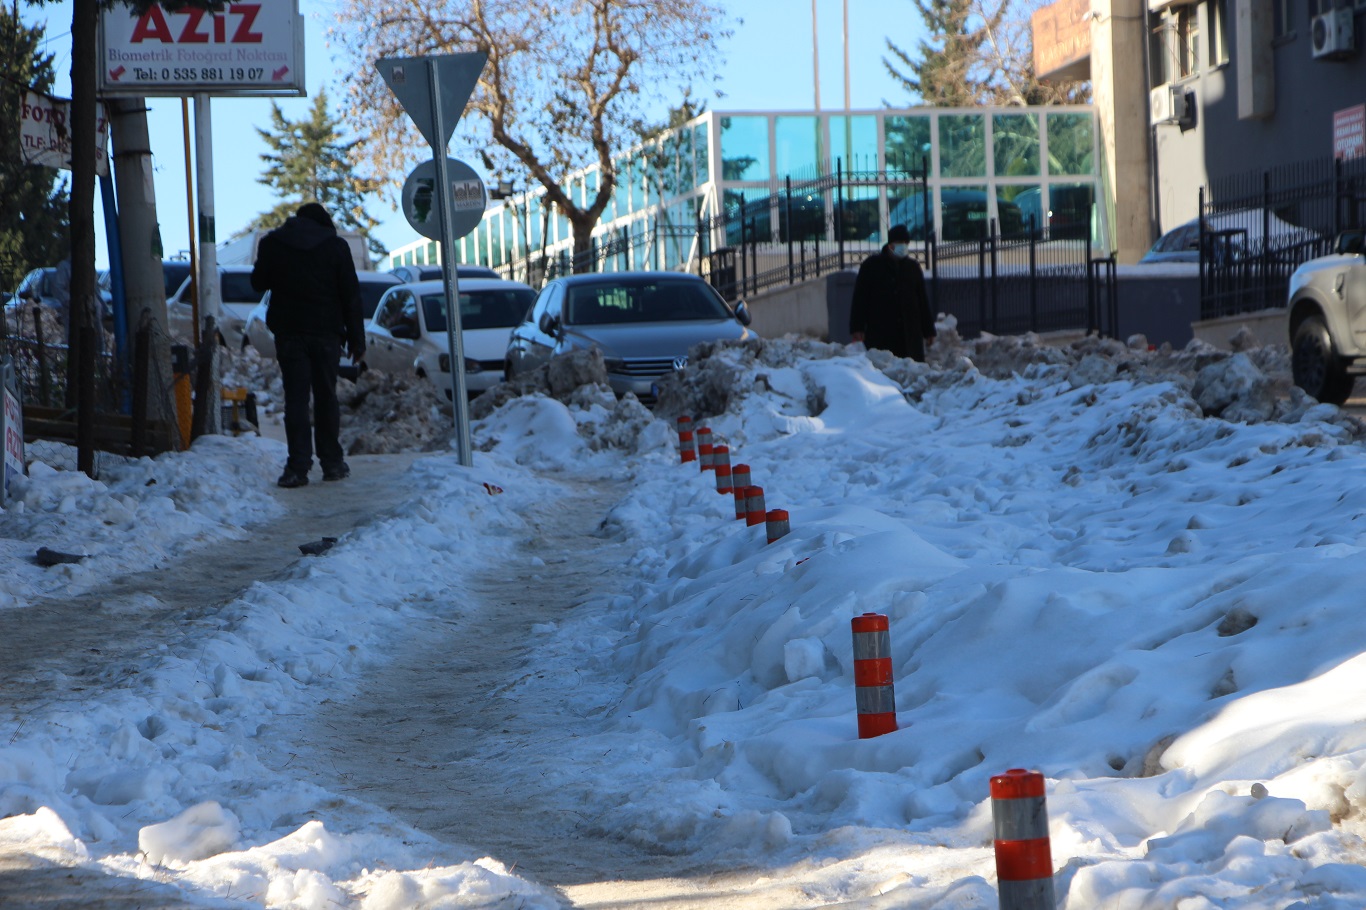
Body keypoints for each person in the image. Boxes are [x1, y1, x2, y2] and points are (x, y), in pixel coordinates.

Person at [251, 203, 365, 488]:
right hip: (327, 333)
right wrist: (357, 340)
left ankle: (297, 467)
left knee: (296, 400)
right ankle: (332, 463)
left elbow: (257, 282)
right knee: (326, 395)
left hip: (290, 334)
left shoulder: (273, 243)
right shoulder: (336, 247)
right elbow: (351, 294)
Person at [848, 223, 936, 362]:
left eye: (906, 243)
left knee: (911, 371)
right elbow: (860, 298)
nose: (903, 246)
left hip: (909, 334)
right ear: (890, 244)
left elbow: (922, 300)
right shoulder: (872, 266)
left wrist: (929, 330)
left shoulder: (912, 268)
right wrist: (857, 327)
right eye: (900, 242)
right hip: (881, 332)